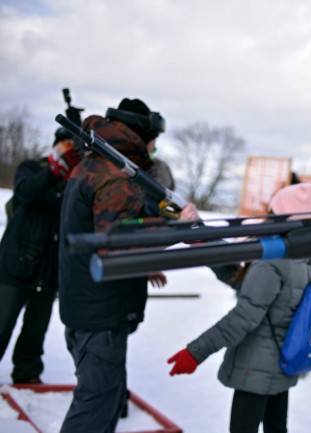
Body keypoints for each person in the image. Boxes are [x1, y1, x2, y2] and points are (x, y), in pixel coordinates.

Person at [58, 98, 199, 433]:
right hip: (100, 313)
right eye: (153, 140)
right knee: (94, 406)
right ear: (141, 135)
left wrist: (144, 263)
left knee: (103, 401)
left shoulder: (94, 164)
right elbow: (117, 245)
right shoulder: (116, 177)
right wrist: (177, 226)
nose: (154, 147)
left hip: (87, 303)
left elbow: (104, 234)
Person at [167, 182, 311, 433]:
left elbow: (245, 316)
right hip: (279, 358)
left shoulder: (271, 259)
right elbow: (247, 285)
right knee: (276, 428)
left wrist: (196, 351)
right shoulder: (298, 252)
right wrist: (204, 240)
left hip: (256, 366)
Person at [0, 128, 81, 384]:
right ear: (56, 145)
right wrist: (53, 173)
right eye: (65, 144)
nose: (68, 149)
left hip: (48, 270)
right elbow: (26, 192)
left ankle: (27, 374)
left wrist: (73, 176)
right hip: (16, 264)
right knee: (2, 323)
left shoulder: (74, 181)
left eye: (73, 146)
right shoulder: (32, 168)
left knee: (35, 331)